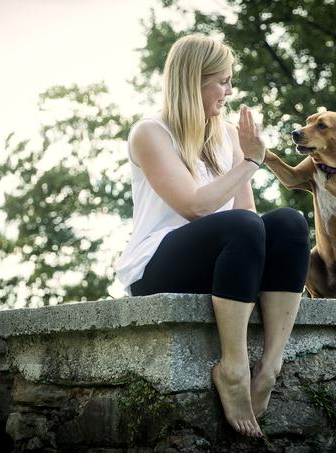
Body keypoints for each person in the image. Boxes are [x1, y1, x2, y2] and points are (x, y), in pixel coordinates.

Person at [116, 34, 310, 438]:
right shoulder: (150, 133)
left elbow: (248, 216)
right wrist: (252, 160)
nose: (230, 91)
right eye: (221, 81)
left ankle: (269, 367)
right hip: (158, 267)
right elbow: (195, 207)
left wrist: (244, 158)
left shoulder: (226, 137)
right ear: (193, 81)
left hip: (223, 260)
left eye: (230, 80)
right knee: (241, 226)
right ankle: (234, 368)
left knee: (290, 223)